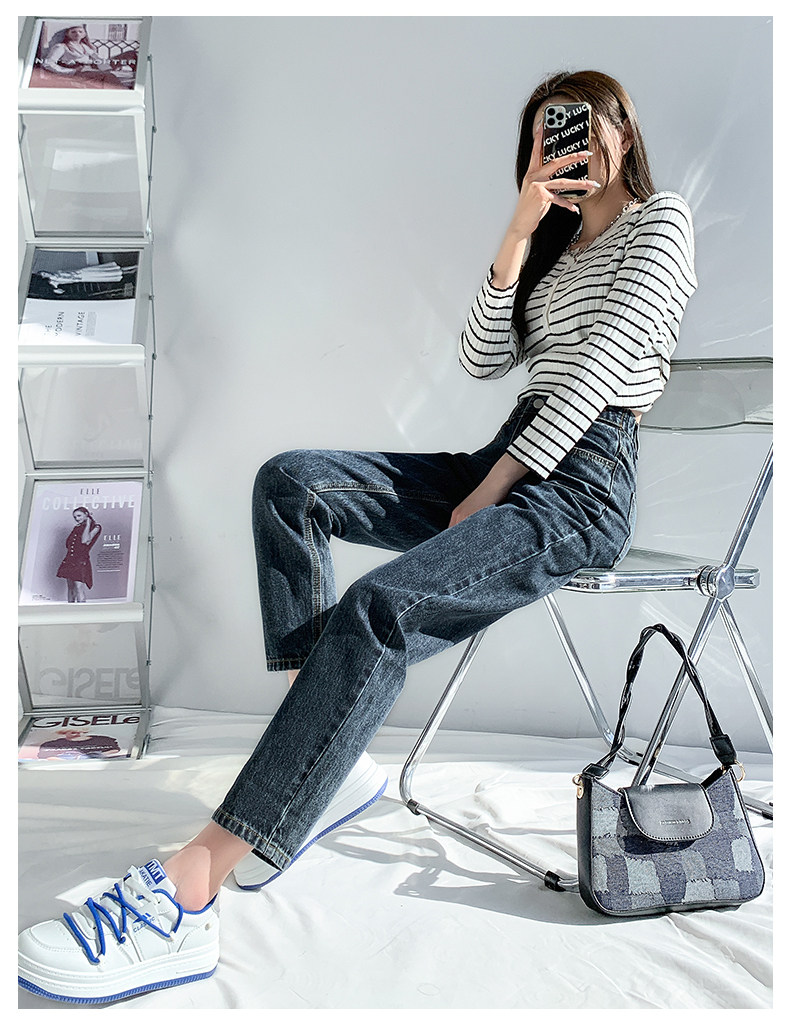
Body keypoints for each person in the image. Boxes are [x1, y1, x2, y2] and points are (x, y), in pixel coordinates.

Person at [18, 69, 697, 1004]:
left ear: (622, 128)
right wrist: (518, 230)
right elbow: (482, 359)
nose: (568, 143)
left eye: (580, 124)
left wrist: (489, 491)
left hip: (579, 486)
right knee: (292, 484)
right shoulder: (554, 247)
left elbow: (599, 372)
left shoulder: (663, 224)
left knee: (377, 610)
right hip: (510, 451)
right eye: (548, 133)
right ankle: (323, 763)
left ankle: (190, 891)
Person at [56, 507, 102, 603]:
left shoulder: (96, 527)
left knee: (78, 587)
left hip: (81, 560)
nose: (77, 518)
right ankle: (70, 608)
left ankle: (81, 609)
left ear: (86, 514)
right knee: (70, 587)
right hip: (69, 559)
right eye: (75, 517)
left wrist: (88, 524)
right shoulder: (77, 528)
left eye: (79, 516)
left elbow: (85, 540)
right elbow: (68, 544)